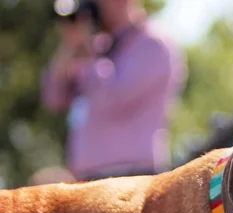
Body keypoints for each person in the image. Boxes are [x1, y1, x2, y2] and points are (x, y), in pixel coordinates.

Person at [41, 0, 187, 181]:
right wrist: (69, 46)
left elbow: (113, 99)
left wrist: (88, 57)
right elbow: (54, 98)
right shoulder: (99, 47)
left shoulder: (153, 45)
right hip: (88, 180)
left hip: (132, 179)